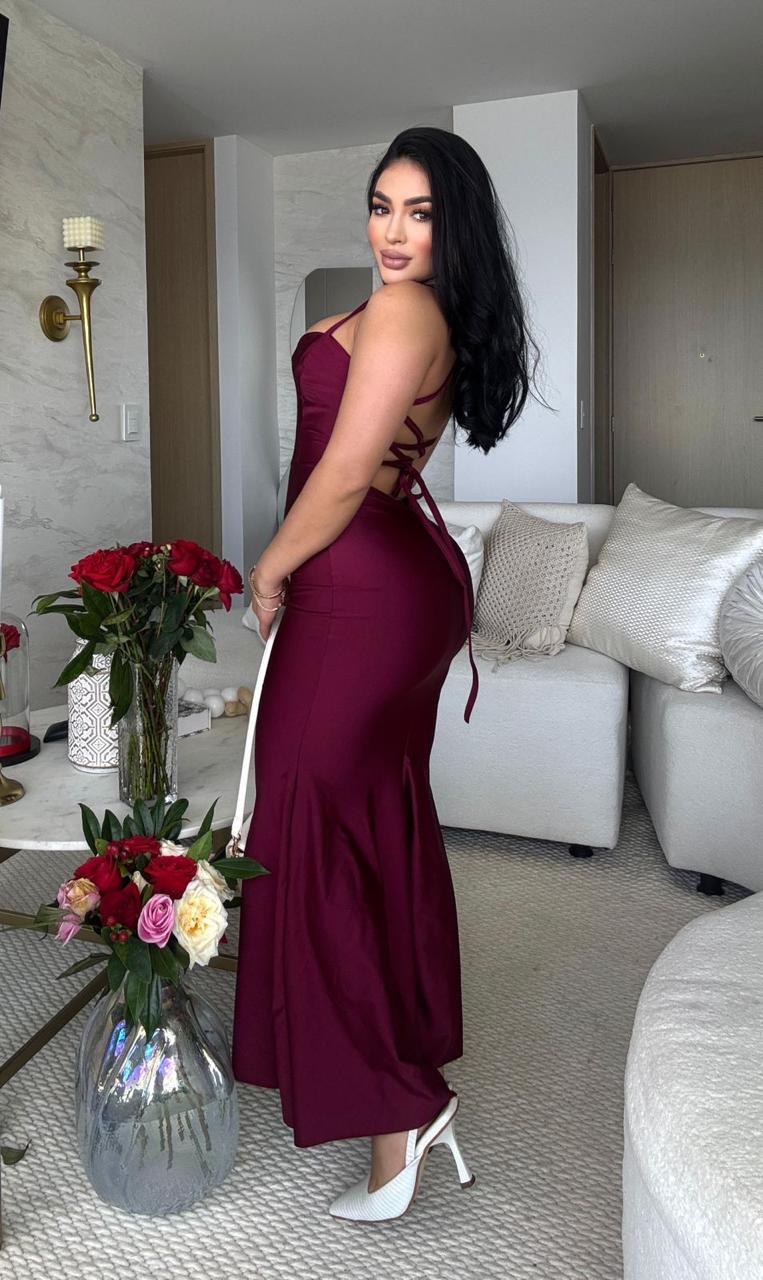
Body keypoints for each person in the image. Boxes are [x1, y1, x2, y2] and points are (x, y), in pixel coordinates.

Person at [232, 125, 540, 1223]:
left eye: (420, 212)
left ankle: (395, 1111)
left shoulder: (406, 310)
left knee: (307, 829)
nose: (394, 232)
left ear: (453, 226)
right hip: (392, 585)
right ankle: (396, 1063)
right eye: (380, 206)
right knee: (366, 824)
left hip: (358, 586)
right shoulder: (429, 314)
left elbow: (345, 472)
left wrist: (269, 567)